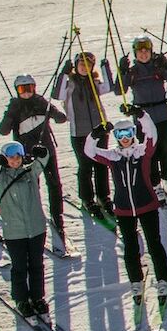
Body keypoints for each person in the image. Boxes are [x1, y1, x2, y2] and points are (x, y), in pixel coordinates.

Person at [85, 117, 167, 309]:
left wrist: (141, 115)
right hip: (124, 209)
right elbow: (89, 152)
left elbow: (152, 135)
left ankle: (163, 278)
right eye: (120, 134)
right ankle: (136, 281)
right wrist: (95, 134)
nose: (125, 138)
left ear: (133, 134)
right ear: (116, 137)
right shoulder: (113, 156)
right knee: (130, 247)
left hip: (147, 205)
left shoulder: (142, 151)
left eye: (128, 133)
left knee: (154, 243)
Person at [0, 141, 54, 325]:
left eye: (17, 157)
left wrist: (42, 150)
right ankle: (22, 299)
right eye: (10, 157)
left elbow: (43, 160)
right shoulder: (1, 176)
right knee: (19, 267)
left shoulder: (30, 172)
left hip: (36, 228)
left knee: (37, 265)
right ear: (5, 159)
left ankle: (38, 297)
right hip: (14, 231)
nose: (15, 161)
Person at [0, 74, 69, 240]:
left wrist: (49, 108)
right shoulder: (15, 107)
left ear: (34, 87)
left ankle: (57, 217)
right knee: (31, 187)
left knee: (54, 183)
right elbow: (3, 130)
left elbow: (61, 119)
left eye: (29, 88)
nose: (26, 92)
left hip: (46, 150)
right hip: (26, 155)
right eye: (22, 89)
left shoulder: (41, 102)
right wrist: (11, 113)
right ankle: (33, 216)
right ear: (17, 90)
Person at [120, 34, 167, 197]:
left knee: (166, 150)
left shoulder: (158, 67)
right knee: (149, 152)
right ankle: (154, 183)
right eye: (140, 51)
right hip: (143, 118)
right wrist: (122, 72)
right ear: (135, 54)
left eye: (146, 51)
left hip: (163, 115)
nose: (144, 54)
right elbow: (119, 90)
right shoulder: (133, 71)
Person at [55, 51, 116, 219]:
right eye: (81, 64)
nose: (85, 67)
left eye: (88, 65)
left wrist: (105, 68)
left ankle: (104, 197)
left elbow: (110, 87)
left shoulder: (94, 83)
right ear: (76, 66)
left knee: (101, 164)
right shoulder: (70, 84)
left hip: (99, 130)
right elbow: (57, 95)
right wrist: (63, 73)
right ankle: (87, 198)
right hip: (79, 132)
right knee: (85, 166)